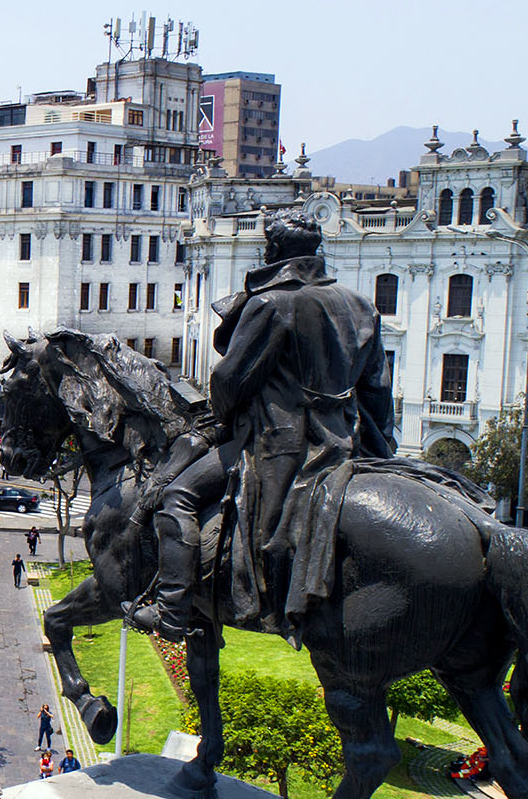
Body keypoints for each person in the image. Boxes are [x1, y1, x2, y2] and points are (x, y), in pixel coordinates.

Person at [127, 207, 394, 642]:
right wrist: (378, 449)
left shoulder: (272, 302)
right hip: (347, 439)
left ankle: (172, 612)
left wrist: (228, 423)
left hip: (279, 441)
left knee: (178, 494)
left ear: (272, 251)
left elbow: (227, 380)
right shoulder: (360, 304)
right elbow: (378, 391)